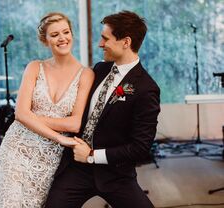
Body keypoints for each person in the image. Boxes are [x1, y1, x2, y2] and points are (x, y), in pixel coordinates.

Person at [45, 10, 160, 208]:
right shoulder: (99, 69)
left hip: (116, 174)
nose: (100, 44)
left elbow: (140, 148)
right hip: (76, 169)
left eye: (105, 38)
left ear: (126, 42)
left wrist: (91, 155)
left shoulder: (146, 89)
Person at [0, 12, 94, 207]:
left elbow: (74, 123)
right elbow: (20, 114)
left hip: (47, 157)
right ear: (45, 41)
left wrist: (31, 116)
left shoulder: (86, 74)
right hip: (17, 148)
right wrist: (60, 137)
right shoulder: (34, 67)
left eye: (66, 32)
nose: (62, 38)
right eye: (54, 35)